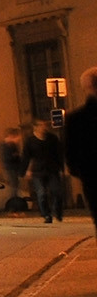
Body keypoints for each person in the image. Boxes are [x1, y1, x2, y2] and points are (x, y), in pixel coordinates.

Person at [64, 67, 97, 235]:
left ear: (87, 87)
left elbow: (71, 154)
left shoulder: (76, 119)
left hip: (92, 178)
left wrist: (81, 172)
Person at [23, 118, 68, 224]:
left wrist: (63, 168)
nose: (44, 127)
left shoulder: (52, 138)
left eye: (45, 125)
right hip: (38, 171)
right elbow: (26, 156)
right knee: (41, 194)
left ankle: (58, 211)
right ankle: (46, 215)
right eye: (41, 125)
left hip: (52, 170)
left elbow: (59, 154)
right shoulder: (30, 141)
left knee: (57, 192)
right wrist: (26, 170)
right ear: (35, 127)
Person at [0, 127, 28, 210]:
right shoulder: (5, 146)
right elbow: (8, 158)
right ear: (11, 136)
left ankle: (15, 208)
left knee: (15, 189)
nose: (18, 139)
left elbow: (18, 158)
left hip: (14, 170)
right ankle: (13, 208)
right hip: (11, 170)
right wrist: (15, 156)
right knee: (13, 189)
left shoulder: (13, 146)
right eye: (16, 137)